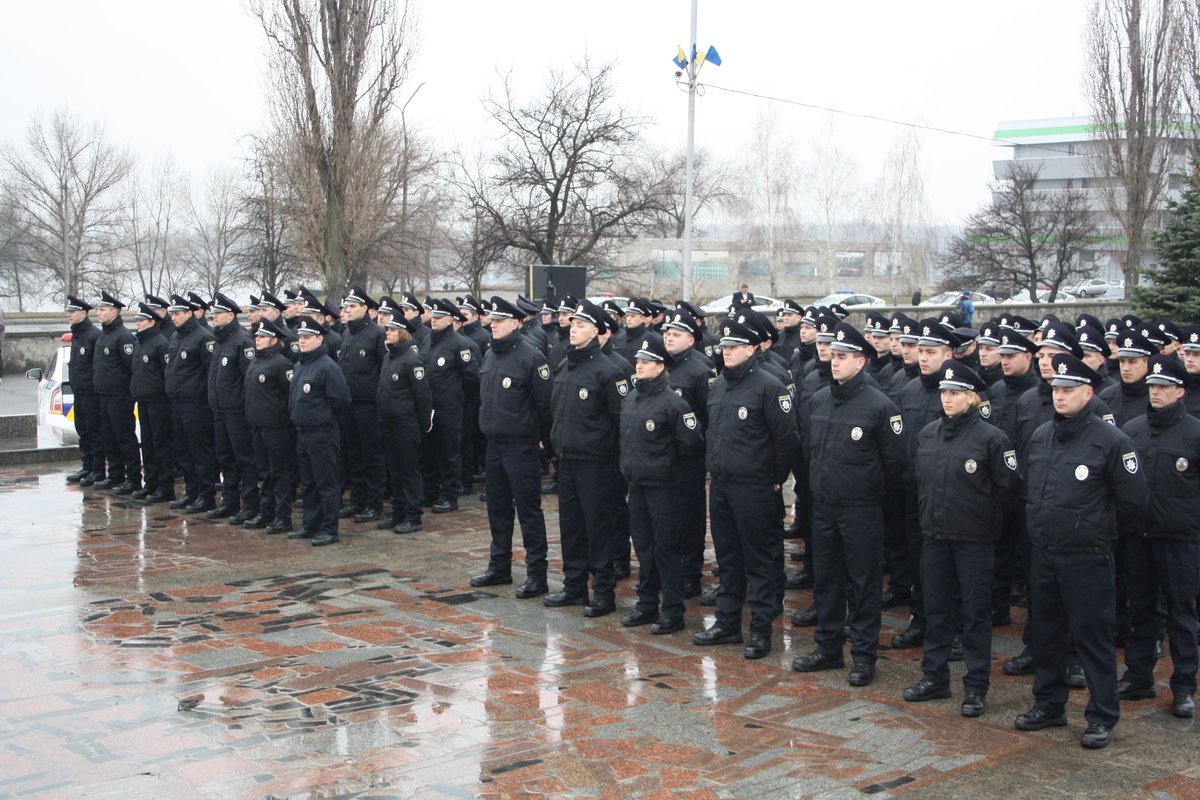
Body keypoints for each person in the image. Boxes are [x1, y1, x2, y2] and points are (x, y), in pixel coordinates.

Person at [1015, 353, 1146, 750]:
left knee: (1092, 638)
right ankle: (1049, 704)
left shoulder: (1111, 440)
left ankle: (1102, 715)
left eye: (1069, 390)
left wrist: (1097, 531)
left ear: (1088, 393)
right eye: (1056, 389)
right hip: (1045, 552)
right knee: (1047, 634)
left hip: (1086, 556)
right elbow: (1030, 487)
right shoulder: (1042, 435)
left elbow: (1133, 501)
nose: (1060, 396)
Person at [792, 321, 907, 685]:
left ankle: (863, 655)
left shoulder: (880, 406)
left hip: (861, 508)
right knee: (826, 579)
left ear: (861, 362)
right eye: (834, 355)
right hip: (824, 506)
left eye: (843, 356)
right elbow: (810, 449)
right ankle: (828, 647)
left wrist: (866, 487)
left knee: (863, 582)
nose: (835, 361)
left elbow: (895, 462)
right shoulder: (821, 399)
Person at [903, 363, 1018, 718]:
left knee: (975, 615)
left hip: (974, 541)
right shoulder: (928, 434)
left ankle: (976, 685)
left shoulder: (992, 439)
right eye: (944, 392)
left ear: (971, 397)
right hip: (935, 537)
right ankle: (934, 677)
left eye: (955, 393)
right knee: (936, 610)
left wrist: (985, 523)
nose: (948, 399)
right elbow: (919, 481)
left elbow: (1009, 492)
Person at [695, 318, 798, 659]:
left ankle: (760, 630)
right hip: (722, 484)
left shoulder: (769, 386)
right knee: (728, 558)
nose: (727, 352)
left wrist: (774, 478)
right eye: (725, 346)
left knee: (760, 561)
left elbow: (787, 439)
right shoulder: (719, 385)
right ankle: (727, 623)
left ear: (752, 349)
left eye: (734, 347)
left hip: (754, 486)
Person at [1118, 355, 1199, 718]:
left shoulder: (1194, 433)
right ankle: (1138, 676)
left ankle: (1183, 686)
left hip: (1180, 538)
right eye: (1152, 386)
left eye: (1164, 387)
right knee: (1141, 609)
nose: (1155, 392)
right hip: (1140, 535)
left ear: (1180, 391)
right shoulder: (1133, 429)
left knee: (1181, 613)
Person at [545, 298, 627, 617]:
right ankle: (574, 585)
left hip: (597, 463)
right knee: (571, 526)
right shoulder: (564, 366)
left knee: (598, 528)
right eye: (573, 324)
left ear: (595, 332)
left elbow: (620, 422)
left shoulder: (609, 371)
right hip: (567, 459)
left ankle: (604, 591)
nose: (573, 329)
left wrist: (617, 464)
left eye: (580, 325)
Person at [619, 335, 705, 634]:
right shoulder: (630, 399)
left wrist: (669, 470)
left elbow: (691, 445)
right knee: (644, 548)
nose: (639, 366)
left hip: (665, 487)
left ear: (660, 367)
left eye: (647, 362)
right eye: (638, 361)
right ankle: (646, 604)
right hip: (638, 485)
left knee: (666, 550)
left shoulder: (675, 404)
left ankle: (672, 610)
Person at [470, 296, 553, 598]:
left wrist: (542, 439)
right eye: (492, 320)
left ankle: (537, 575)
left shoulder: (531, 357)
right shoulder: (490, 354)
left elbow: (545, 405)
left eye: (500, 321)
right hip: (494, 444)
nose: (493, 325)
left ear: (516, 323)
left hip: (521, 445)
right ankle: (499, 566)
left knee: (528, 512)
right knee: (497, 509)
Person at [288, 317, 351, 546]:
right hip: (303, 432)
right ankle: (310, 524)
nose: (302, 341)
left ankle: (329, 528)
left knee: (326, 483)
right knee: (309, 482)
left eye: (307, 337)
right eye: (300, 337)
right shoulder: (300, 365)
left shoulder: (327, 366)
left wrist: (322, 417)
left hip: (322, 432)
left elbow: (341, 401)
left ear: (319, 338)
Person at [421, 299, 480, 513]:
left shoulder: (459, 343)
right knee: (429, 452)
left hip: (450, 407)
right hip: (430, 407)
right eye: (433, 317)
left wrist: (455, 393)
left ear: (449, 320)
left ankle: (449, 495)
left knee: (449, 452)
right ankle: (430, 492)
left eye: (439, 318)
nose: (434, 321)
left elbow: (471, 376)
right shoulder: (427, 339)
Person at [377, 313, 433, 535]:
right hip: (389, 422)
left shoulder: (412, 359)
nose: (387, 332)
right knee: (395, 470)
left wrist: (424, 422)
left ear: (402, 333)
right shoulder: (388, 357)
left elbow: (423, 395)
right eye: (387, 329)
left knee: (409, 470)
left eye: (392, 330)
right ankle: (398, 511)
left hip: (406, 423)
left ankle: (413, 515)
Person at [206, 293, 260, 523]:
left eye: (217, 314)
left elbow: (248, 379)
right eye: (212, 314)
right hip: (220, 410)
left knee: (244, 459)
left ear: (230, 315)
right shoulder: (219, 340)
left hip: (237, 412)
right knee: (225, 457)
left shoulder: (242, 341)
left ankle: (250, 504)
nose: (213, 318)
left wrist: (243, 407)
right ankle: (229, 502)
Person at [338, 285, 388, 523]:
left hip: (369, 406)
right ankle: (357, 500)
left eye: (352, 306)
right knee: (354, 454)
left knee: (372, 455)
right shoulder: (347, 334)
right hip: (350, 404)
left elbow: (384, 369)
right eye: (346, 306)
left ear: (365, 308)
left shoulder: (377, 334)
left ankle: (374, 503)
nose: (347, 310)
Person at [243, 318, 298, 534]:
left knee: (279, 472)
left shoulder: (281, 363)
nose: (257, 339)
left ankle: (282, 516)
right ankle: (266, 512)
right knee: (264, 472)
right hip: (257, 425)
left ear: (273, 339)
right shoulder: (256, 361)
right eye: (257, 336)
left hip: (276, 427)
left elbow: (290, 395)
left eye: (262, 337)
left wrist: (284, 421)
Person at [165, 295, 217, 513]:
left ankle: (206, 495)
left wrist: (202, 396)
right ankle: (191, 491)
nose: (174, 318)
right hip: (177, 402)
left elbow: (210, 372)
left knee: (200, 451)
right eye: (172, 314)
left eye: (178, 314)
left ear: (189, 313)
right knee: (183, 450)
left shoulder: (203, 337)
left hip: (196, 405)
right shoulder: (175, 336)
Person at [92, 291, 141, 494]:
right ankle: (115, 474)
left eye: (102, 310)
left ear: (114, 312)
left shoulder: (123, 337)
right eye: (98, 310)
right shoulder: (104, 335)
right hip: (104, 395)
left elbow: (132, 368)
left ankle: (133, 478)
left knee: (124, 437)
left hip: (120, 396)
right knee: (109, 437)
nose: (98, 313)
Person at [128, 303, 172, 503]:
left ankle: (165, 487)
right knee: (147, 444)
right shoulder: (140, 342)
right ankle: (151, 483)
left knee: (161, 445)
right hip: (143, 401)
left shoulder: (161, 343)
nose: (137, 324)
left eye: (141, 321)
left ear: (152, 322)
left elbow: (166, 373)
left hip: (158, 402)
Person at [64, 296, 104, 486]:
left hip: (91, 394)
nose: (69, 315)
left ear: (83, 313)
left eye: (72, 312)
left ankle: (97, 469)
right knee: (83, 431)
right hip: (79, 392)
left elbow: (97, 367)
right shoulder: (77, 335)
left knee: (94, 431)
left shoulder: (94, 335)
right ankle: (87, 467)